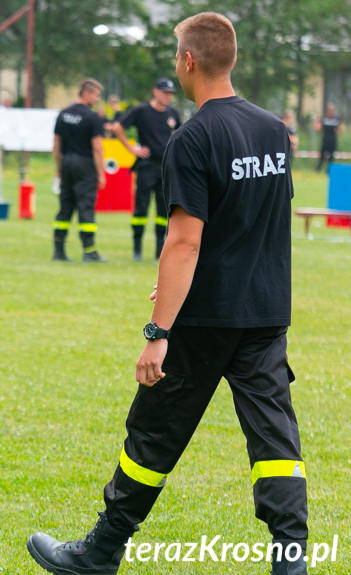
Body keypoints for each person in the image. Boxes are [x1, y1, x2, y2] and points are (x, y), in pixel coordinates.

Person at [27, 12, 308, 575]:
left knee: (153, 435)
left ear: (187, 62)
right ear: (232, 58)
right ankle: (291, 562)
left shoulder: (192, 136)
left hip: (204, 321)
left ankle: (101, 551)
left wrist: (158, 332)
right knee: (276, 441)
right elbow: (253, 219)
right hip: (266, 313)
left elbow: (184, 242)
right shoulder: (273, 129)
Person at [111, 78, 181, 261]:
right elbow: (117, 127)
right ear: (155, 92)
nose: (168, 96)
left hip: (165, 168)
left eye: (170, 93)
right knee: (141, 208)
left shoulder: (172, 113)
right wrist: (132, 149)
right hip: (146, 167)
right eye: (165, 92)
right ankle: (137, 250)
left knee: (163, 211)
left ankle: (160, 252)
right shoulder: (141, 111)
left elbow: (183, 135)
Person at [52, 78, 106, 262]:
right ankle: (89, 251)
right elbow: (97, 148)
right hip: (85, 165)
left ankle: (58, 250)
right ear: (87, 93)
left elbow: (56, 144)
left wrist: (59, 168)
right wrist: (101, 173)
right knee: (86, 206)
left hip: (66, 163)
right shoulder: (92, 117)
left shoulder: (63, 114)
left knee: (65, 206)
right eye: (96, 95)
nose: (97, 99)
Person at [313, 103, 341, 172]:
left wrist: (337, 129)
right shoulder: (324, 119)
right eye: (329, 110)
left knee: (331, 157)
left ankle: (329, 171)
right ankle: (318, 170)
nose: (331, 112)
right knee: (322, 156)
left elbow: (339, 130)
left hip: (333, 141)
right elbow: (317, 129)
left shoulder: (336, 119)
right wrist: (316, 121)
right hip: (325, 140)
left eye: (332, 110)